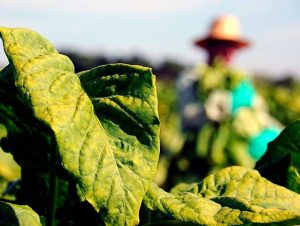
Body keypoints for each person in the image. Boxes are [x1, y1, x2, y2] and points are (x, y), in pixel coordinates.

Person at [166, 14, 282, 188]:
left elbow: (260, 114)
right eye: (222, 45)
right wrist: (225, 105)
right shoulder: (193, 77)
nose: (227, 51)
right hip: (198, 161)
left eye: (231, 46)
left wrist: (276, 133)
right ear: (209, 46)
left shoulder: (241, 79)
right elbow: (189, 116)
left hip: (243, 156)